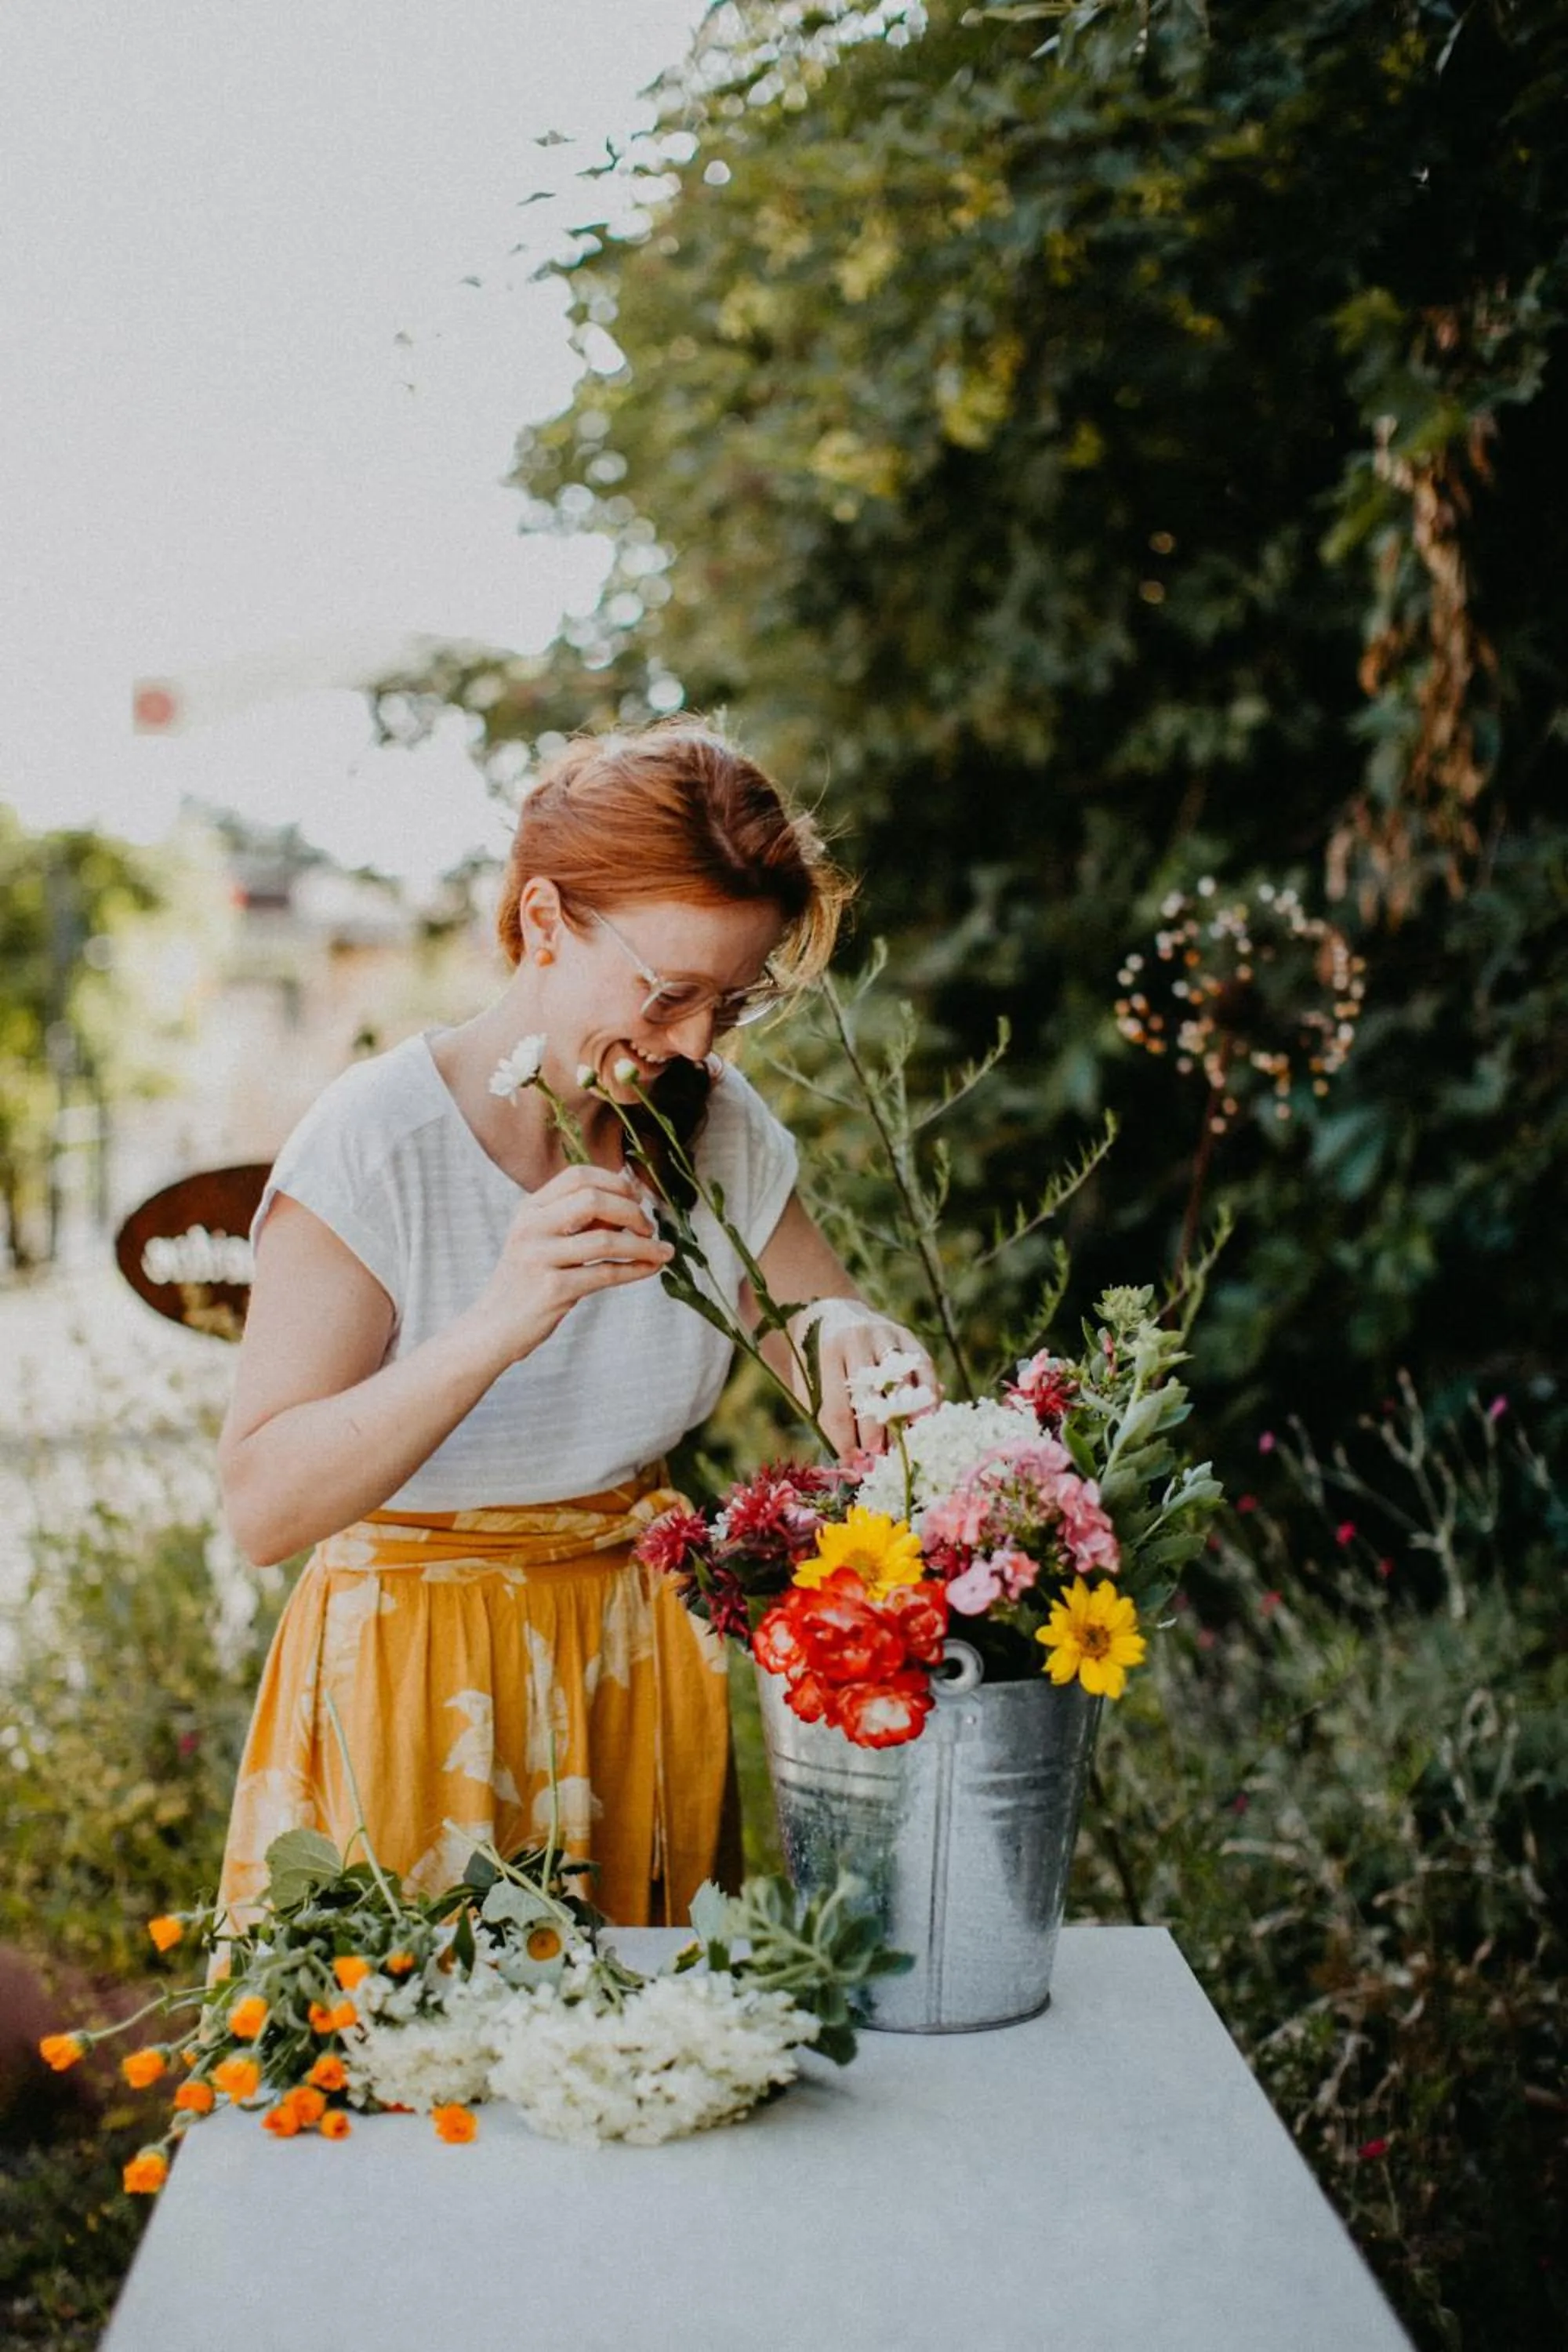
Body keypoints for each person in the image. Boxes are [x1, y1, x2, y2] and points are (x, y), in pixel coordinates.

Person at [215, 720, 937, 1929]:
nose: (697, 1043)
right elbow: (262, 1505)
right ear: (544, 921)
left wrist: (860, 1347)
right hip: (416, 1690)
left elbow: (814, 1338)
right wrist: (499, 1320)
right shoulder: (376, 1147)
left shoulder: (710, 1124)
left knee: (646, 2078)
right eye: (670, 993)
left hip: (634, 1676)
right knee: (424, 2092)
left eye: (732, 1000)